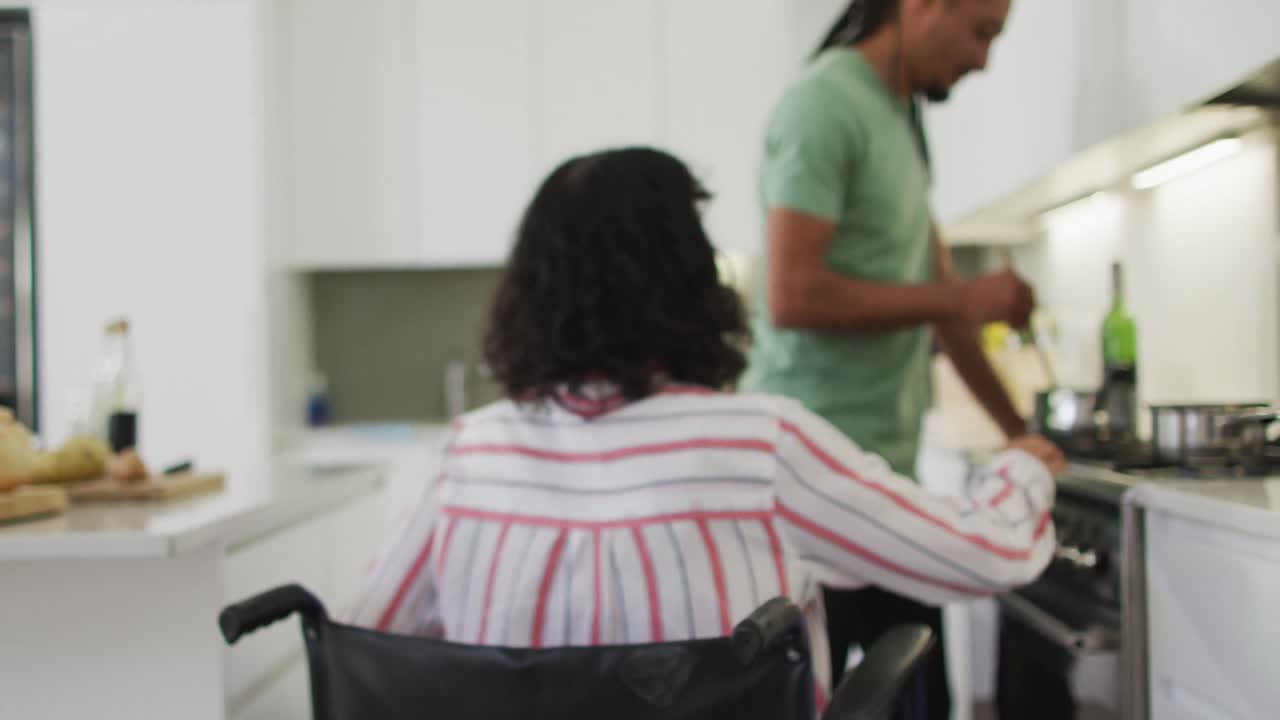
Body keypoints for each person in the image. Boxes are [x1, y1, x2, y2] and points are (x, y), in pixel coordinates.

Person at [347, 147, 1061, 707]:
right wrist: (1022, 466)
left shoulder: (467, 458)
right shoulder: (758, 448)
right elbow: (984, 554)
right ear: (690, 278)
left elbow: (363, 651)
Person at [739, 0, 1066, 716]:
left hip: (883, 479)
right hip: (811, 494)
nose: (983, 60)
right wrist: (963, 298)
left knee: (923, 697)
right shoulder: (823, 105)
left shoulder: (902, 121)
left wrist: (1019, 431)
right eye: (981, 32)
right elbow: (792, 294)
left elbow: (943, 303)